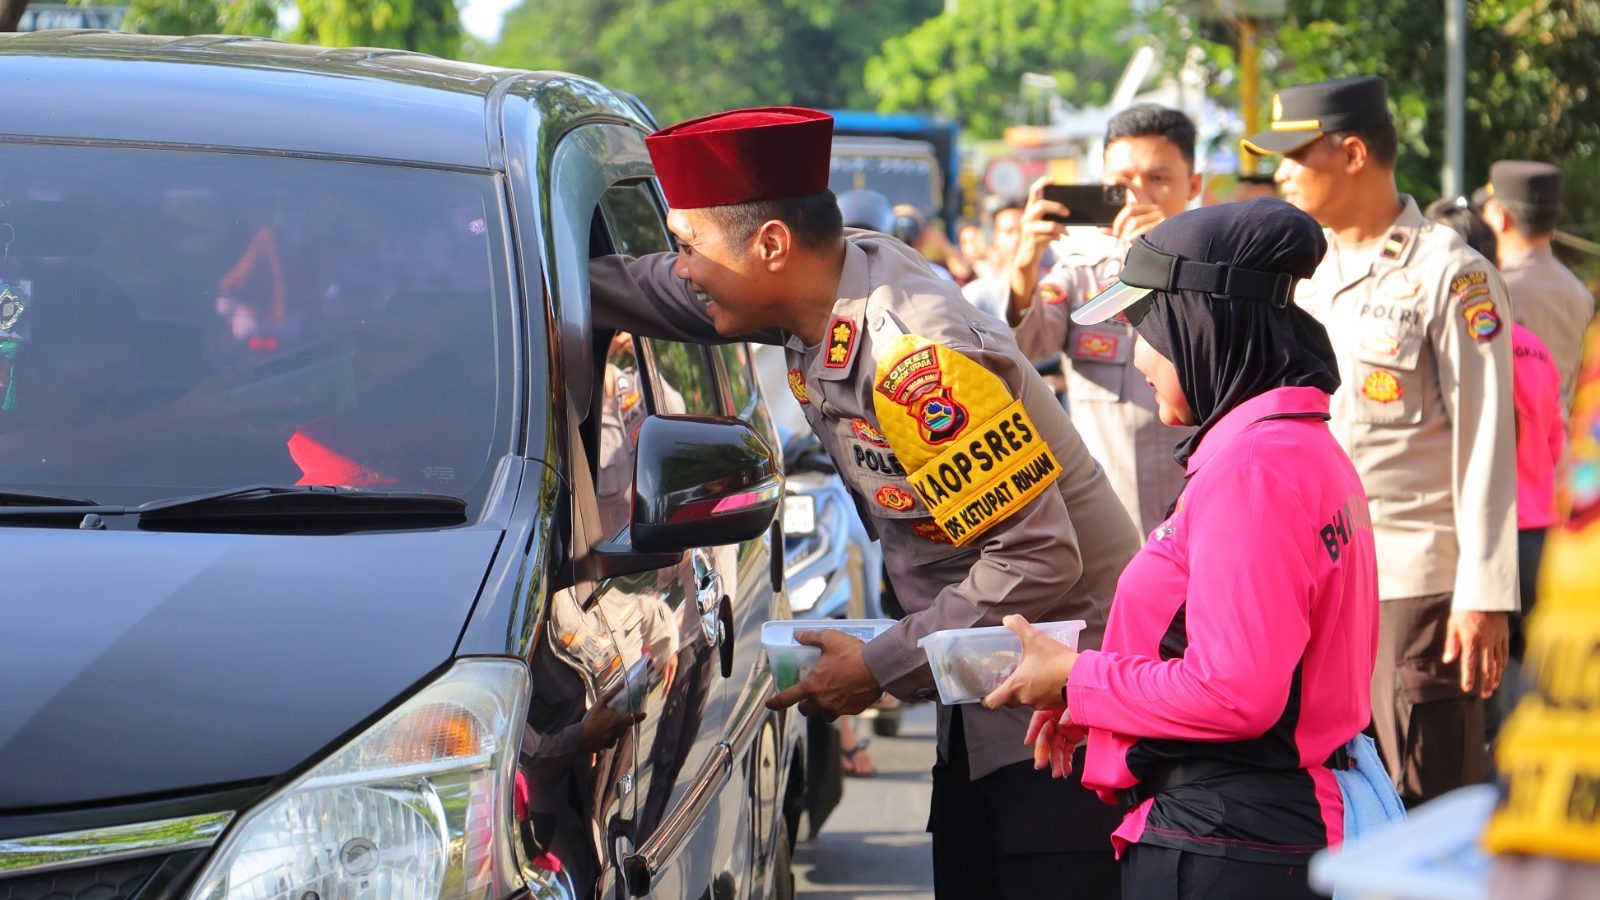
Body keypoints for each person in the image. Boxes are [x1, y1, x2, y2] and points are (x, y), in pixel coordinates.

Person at [588, 106, 1141, 899]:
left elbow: (1039, 555)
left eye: (688, 246)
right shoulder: (821, 285)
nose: (679, 269)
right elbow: (660, 292)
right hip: (982, 693)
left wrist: (878, 668)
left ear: (770, 245)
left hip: (1060, 722)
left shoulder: (914, 359)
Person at [982, 198, 1379, 898]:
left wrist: (1078, 680)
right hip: (1259, 825)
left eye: (1147, 328)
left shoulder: (1254, 470)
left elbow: (1234, 694)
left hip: (1232, 841)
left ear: (1200, 325)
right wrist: (1107, 707)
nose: (1137, 356)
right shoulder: (1292, 443)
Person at [1247, 74, 1517, 806]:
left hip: (1415, 589)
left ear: (1353, 153)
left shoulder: (1451, 273)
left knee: (1424, 798)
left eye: (1294, 156)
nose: (1280, 174)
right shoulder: (1306, 273)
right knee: (1342, 805)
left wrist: (1484, 594)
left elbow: (1488, 437)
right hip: (1319, 581)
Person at [1005, 104, 1202, 537]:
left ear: (1193, 184)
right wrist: (1025, 262)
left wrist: (1167, 259)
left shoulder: (1217, 272)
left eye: (1158, 179)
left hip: (1198, 512)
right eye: (1122, 183)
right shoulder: (1081, 272)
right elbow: (1029, 346)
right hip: (1107, 521)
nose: (1138, 196)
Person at [1423, 197, 1566, 736]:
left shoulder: (1445, 349)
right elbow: (1556, 443)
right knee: (1530, 686)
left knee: (1472, 693)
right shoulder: (1533, 347)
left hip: (1477, 543)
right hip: (1539, 538)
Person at [1480, 160, 1597, 408]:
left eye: (1486, 211)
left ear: (1501, 218)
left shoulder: (1493, 289)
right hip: (1559, 429)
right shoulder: (1579, 292)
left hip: (1508, 429)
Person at [960, 198, 1024, 321]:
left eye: (1023, 230)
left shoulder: (1050, 284)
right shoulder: (974, 294)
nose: (1017, 238)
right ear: (994, 237)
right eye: (1009, 231)